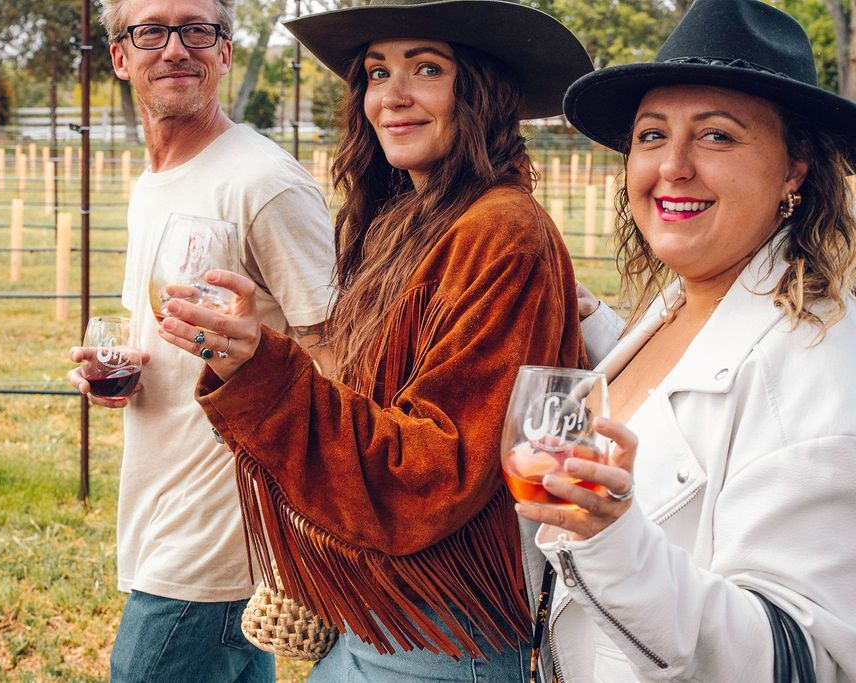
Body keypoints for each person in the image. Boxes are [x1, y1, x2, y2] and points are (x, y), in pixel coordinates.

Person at [154, 0, 594, 678]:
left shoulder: (500, 229)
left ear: (478, 88)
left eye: (427, 68)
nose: (394, 95)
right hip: (378, 610)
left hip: (440, 630)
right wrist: (245, 356)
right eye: (378, 71)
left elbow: (433, 470)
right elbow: (362, 394)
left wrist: (265, 371)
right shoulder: (400, 220)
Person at [515, 0, 856, 680]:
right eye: (651, 135)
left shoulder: (822, 361)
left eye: (718, 137)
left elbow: (801, 657)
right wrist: (590, 327)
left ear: (796, 169)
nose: (672, 166)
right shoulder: (675, 305)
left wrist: (614, 539)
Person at [67, 0, 336, 679]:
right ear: (121, 56)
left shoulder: (264, 183)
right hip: (162, 499)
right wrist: (130, 366)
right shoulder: (152, 183)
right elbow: (177, 331)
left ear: (225, 51)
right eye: (152, 31)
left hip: (222, 525)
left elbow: (343, 355)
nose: (176, 48)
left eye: (197, 30)